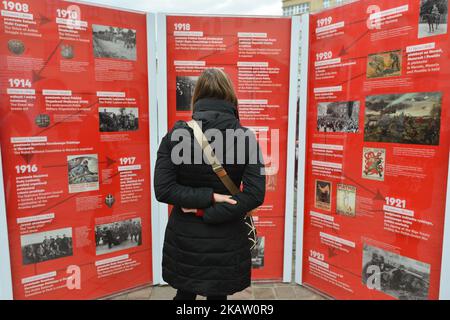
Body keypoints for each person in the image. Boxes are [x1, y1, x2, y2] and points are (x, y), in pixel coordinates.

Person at [154, 68, 266, 300]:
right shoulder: (246, 137)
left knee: (184, 296)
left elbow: (164, 189)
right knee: (218, 297)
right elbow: (255, 195)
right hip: (226, 237)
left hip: (185, 238)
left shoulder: (177, 135)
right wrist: (213, 200)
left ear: (197, 96)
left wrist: (201, 207)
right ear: (229, 95)